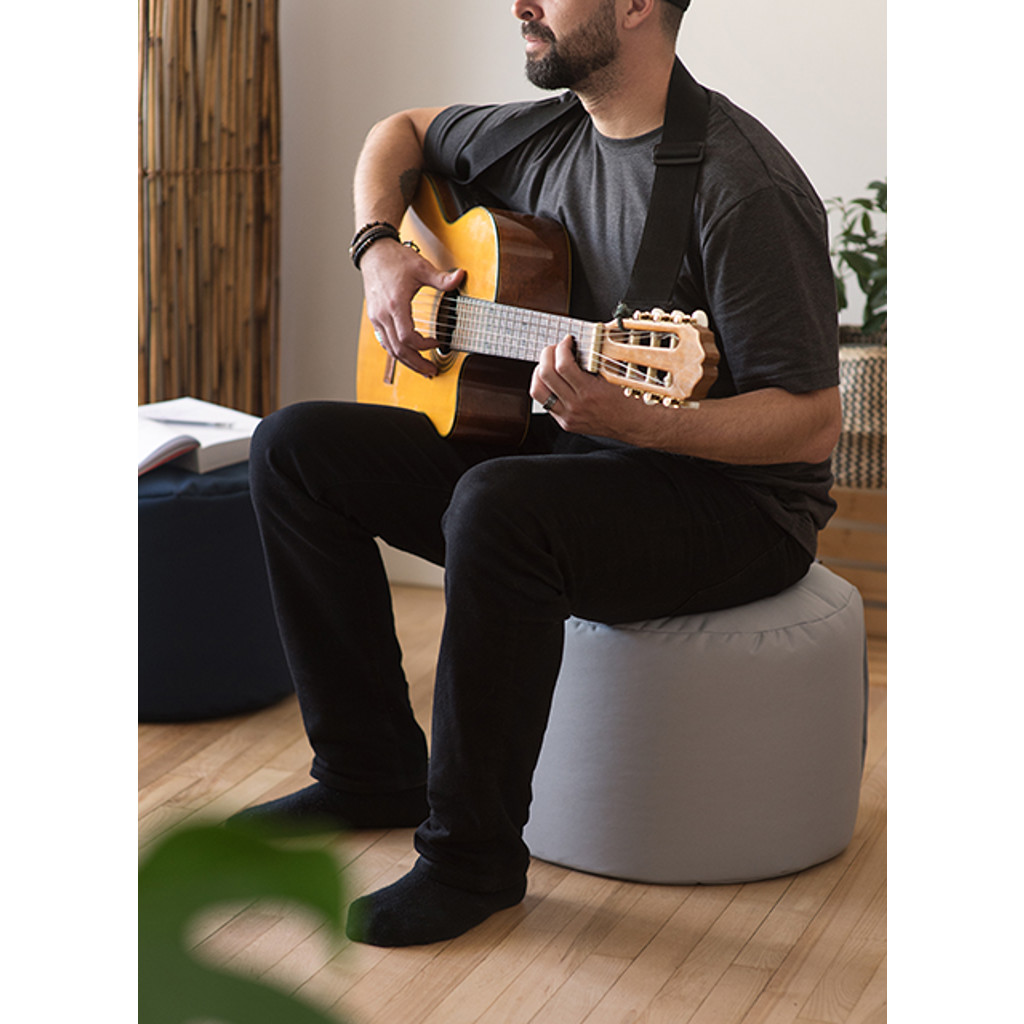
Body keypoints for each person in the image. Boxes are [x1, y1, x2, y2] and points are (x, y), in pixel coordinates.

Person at [229, 0, 842, 947]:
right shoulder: (539, 133)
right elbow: (398, 132)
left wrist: (636, 420)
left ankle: (471, 860)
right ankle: (367, 772)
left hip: (734, 503)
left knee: (498, 504)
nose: (521, 2)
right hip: (573, 450)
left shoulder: (739, 184)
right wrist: (379, 251)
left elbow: (810, 424)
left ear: (634, 7)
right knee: (293, 447)